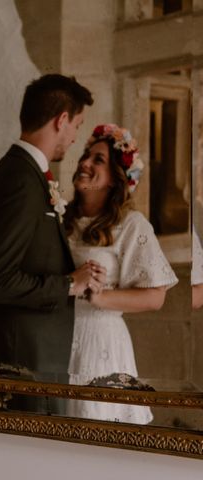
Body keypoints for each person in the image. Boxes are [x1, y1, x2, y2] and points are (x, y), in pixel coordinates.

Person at [0, 74, 104, 391]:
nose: (76, 136)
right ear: (62, 120)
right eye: (77, 124)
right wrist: (68, 285)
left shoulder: (26, 173)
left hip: (36, 358)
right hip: (23, 363)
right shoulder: (19, 178)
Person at [63, 123, 178, 423]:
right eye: (86, 155)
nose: (85, 162)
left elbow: (156, 296)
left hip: (101, 341)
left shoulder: (131, 224)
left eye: (97, 159)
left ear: (116, 178)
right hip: (57, 337)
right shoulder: (62, 218)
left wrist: (101, 298)